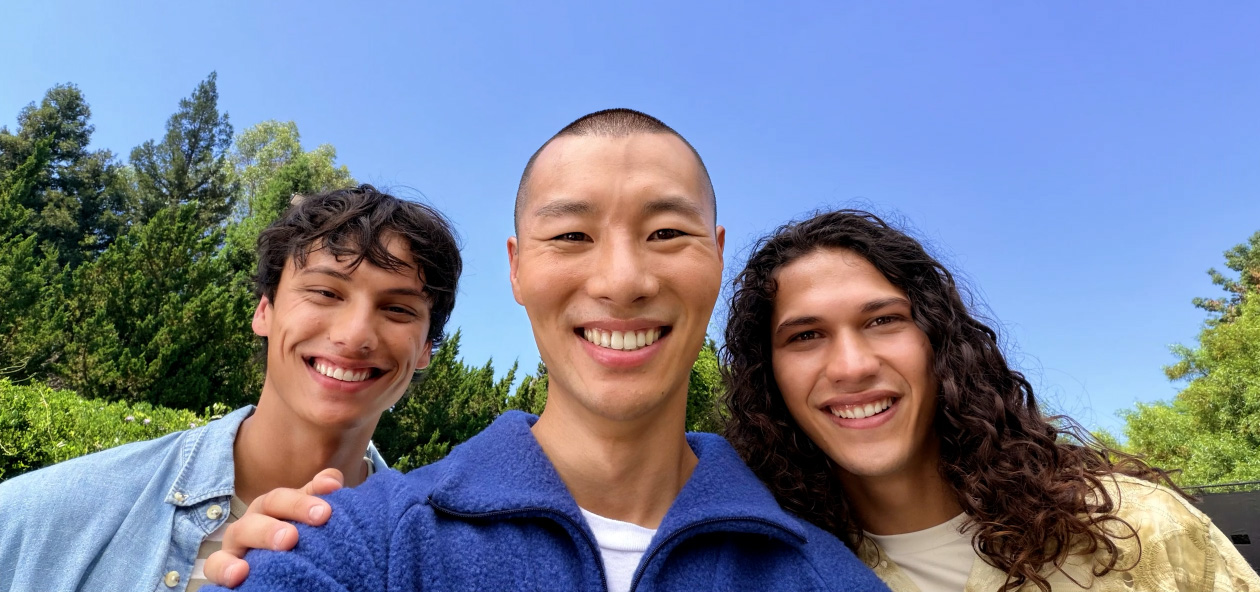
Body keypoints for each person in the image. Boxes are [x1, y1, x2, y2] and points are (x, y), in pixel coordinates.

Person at [205, 110, 889, 592]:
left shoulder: (829, 576)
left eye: (666, 233)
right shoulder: (351, 548)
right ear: (517, 269)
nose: (622, 281)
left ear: (714, 257)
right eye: (570, 237)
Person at [721, 209, 1260, 592]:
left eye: (883, 321)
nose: (852, 366)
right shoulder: (759, 571)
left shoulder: (1138, 529)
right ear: (769, 378)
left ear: (939, 341)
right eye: (805, 336)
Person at [0, 185, 462, 592]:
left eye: (398, 309)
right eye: (325, 292)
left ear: (425, 350)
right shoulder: (39, 517)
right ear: (265, 310)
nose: (355, 335)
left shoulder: (438, 562)